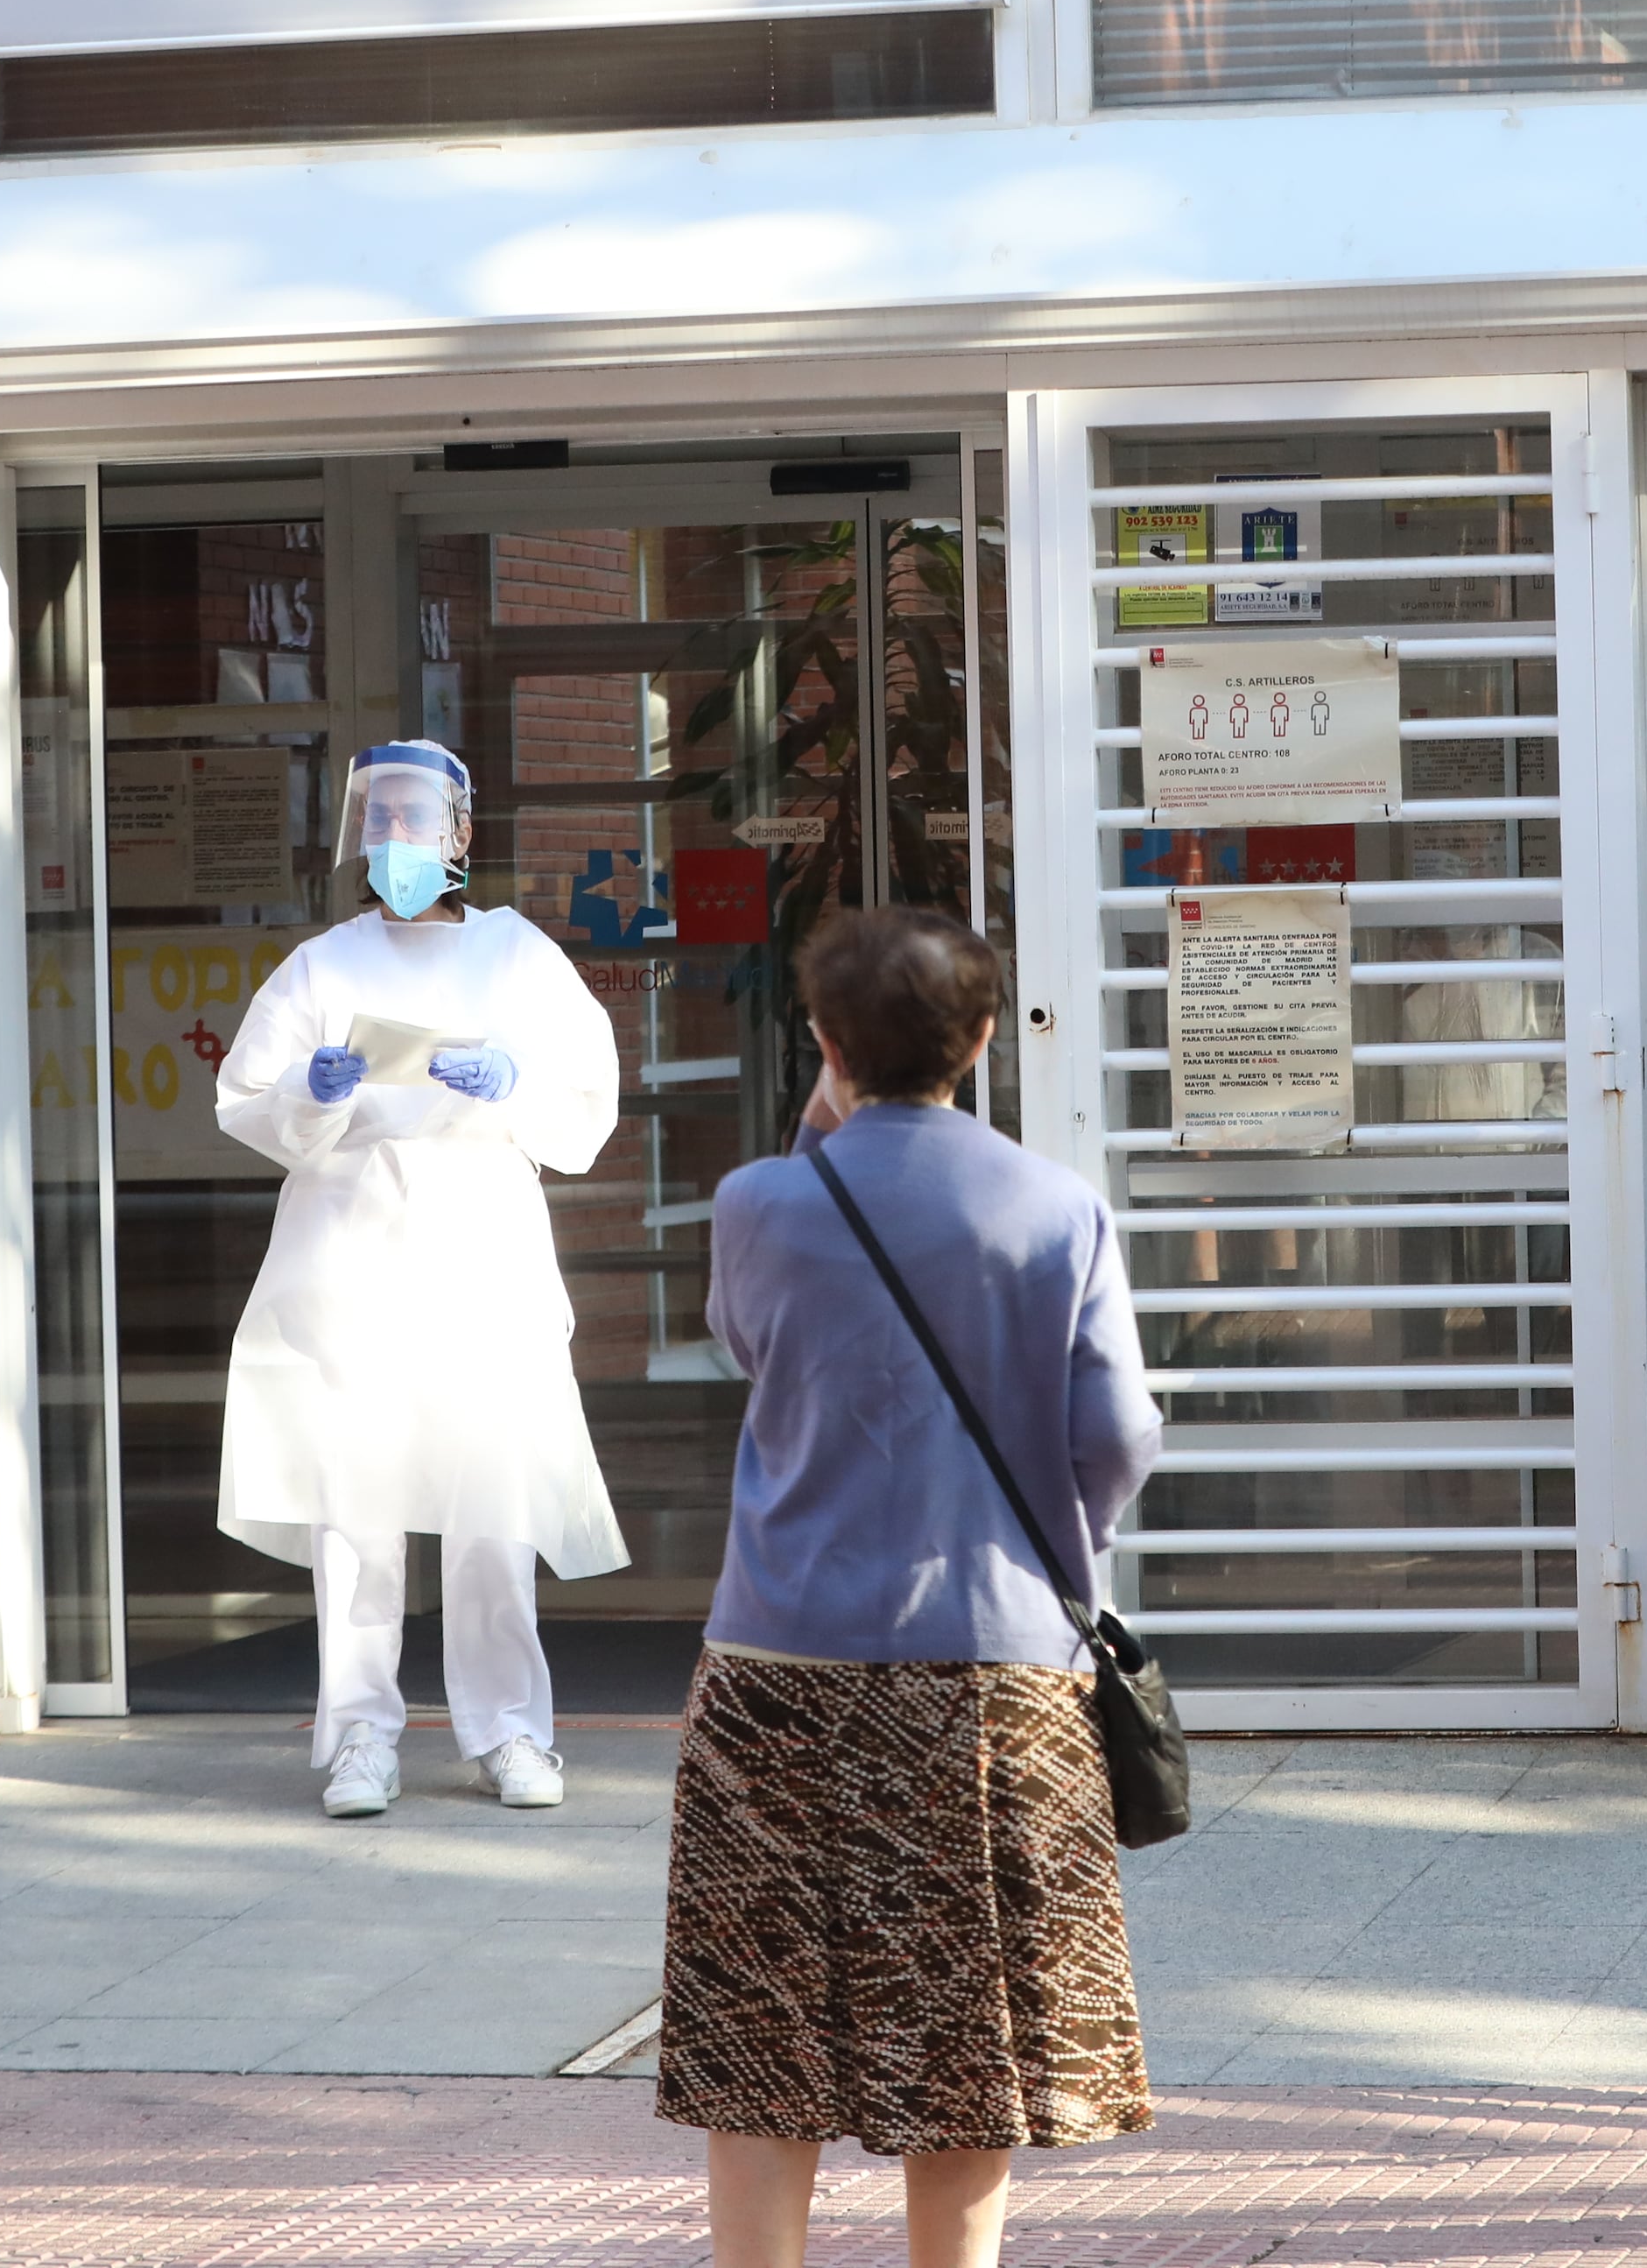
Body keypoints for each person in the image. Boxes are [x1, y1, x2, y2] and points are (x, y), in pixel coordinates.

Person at [668, 907, 1162, 2268]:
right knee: (968, 2030)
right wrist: (1061, 1553)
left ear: (825, 1046)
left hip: (777, 1665)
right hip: (996, 1673)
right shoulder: (1058, 1207)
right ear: (985, 1036)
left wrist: (819, 1131)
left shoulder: (760, 1203)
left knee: (761, 2032)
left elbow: (743, 1342)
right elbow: (1119, 1436)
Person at [214, 739, 626, 1816]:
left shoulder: (517, 957)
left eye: (416, 819)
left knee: (490, 1501)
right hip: (349, 1255)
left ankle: (510, 1731)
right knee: (354, 1508)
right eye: (380, 818)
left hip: (480, 1248)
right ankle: (358, 1733)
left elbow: (586, 1097)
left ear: (461, 836)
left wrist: (511, 1082)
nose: (397, 839)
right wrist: (313, 1090)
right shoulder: (322, 965)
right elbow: (247, 1101)